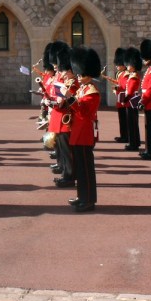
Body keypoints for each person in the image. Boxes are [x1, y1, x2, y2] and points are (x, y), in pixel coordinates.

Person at [67, 46, 101, 212]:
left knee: (86, 169)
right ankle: (82, 195)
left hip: (84, 133)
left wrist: (70, 99)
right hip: (77, 131)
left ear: (88, 73)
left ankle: (88, 200)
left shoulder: (92, 91)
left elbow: (84, 112)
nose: (78, 76)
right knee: (79, 168)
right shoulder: (83, 89)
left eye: (80, 73)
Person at [48, 42, 77, 188]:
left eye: (65, 71)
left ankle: (69, 176)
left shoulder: (73, 83)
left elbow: (72, 102)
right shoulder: (67, 81)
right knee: (63, 150)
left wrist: (61, 100)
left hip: (66, 121)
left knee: (67, 151)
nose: (63, 73)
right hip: (60, 118)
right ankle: (66, 173)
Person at [122, 47, 143, 151]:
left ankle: (133, 144)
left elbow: (130, 91)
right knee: (132, 124)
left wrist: (124, 99)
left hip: (131, 102)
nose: (127, 66)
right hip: (131, 102)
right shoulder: (132, 75)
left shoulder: (134, 76)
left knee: (132, 124)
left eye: (129, 64)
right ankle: (135, 142)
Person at [112, 48, 129, 143]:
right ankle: (123, 135)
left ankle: (126, 136)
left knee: (125, 120)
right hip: (120, 99)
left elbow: (125, 87)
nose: (117, 66)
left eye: (119, 64)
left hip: (124, 100)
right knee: (121, 119)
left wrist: (118, 89)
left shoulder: (126, 74)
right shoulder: (120, 74)